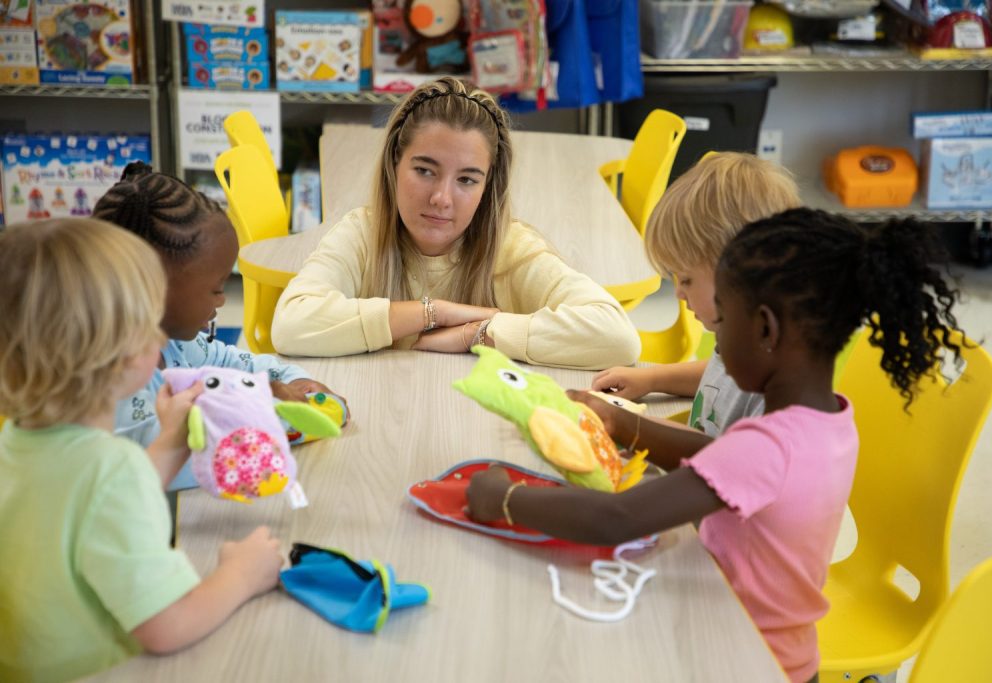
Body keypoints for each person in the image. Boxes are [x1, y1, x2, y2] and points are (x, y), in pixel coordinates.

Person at [467, 208, 966, 683]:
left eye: (723, 319)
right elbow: (715, 464)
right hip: (789, 657)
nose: (716, 343)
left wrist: (504, 498)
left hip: (740, 656)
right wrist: (620, 424)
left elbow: (617, 519)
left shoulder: (768, 447)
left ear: (766, 329)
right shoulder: (829, 420)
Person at [0, 219, 283, 682]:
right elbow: (166, 626)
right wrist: (243, 575)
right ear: (128, 353)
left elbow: (93, 509)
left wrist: (171, 442)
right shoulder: (111, 471)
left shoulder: (17, 442)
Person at [271, 76, 640, 370]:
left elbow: (618, 338)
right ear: (394, 164)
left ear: (487, 185)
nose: (441, 198)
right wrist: (435, 312)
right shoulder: (362, 234)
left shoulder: (511, 248)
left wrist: (477, 334)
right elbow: (290, 325)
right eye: (424, 170)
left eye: (466, 179)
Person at [92, 163, 339, 488]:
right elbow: (172, 462)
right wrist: (281, 421)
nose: (222, 301)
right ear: (154, 287)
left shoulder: (176, 340)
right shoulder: (111, 376)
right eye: (217, 288)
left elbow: (235, 362)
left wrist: (295, 380)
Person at [593, 152, 800, 444]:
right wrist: (652, 379)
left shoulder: (779, 393)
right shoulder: (743, 337)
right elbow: (719, 375)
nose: (678, 293)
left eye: (687, 280)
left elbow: (723, 465)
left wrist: (631, 428)